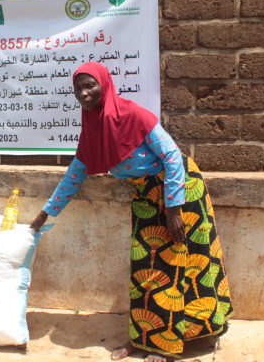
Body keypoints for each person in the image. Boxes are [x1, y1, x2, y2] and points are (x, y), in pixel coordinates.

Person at [30, 62, 233, 362]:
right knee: (145, 269)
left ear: (105, 85)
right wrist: (46, 213)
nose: (84, 94)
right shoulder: (92, 127)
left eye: (90, 86)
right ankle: (145, 338)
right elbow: (75, 174)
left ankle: (174, 341)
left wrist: (174, 209)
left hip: (180, 191)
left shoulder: (133, 115)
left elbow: (173, 157)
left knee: (182, 265)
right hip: (146, 195)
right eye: (78, 89)